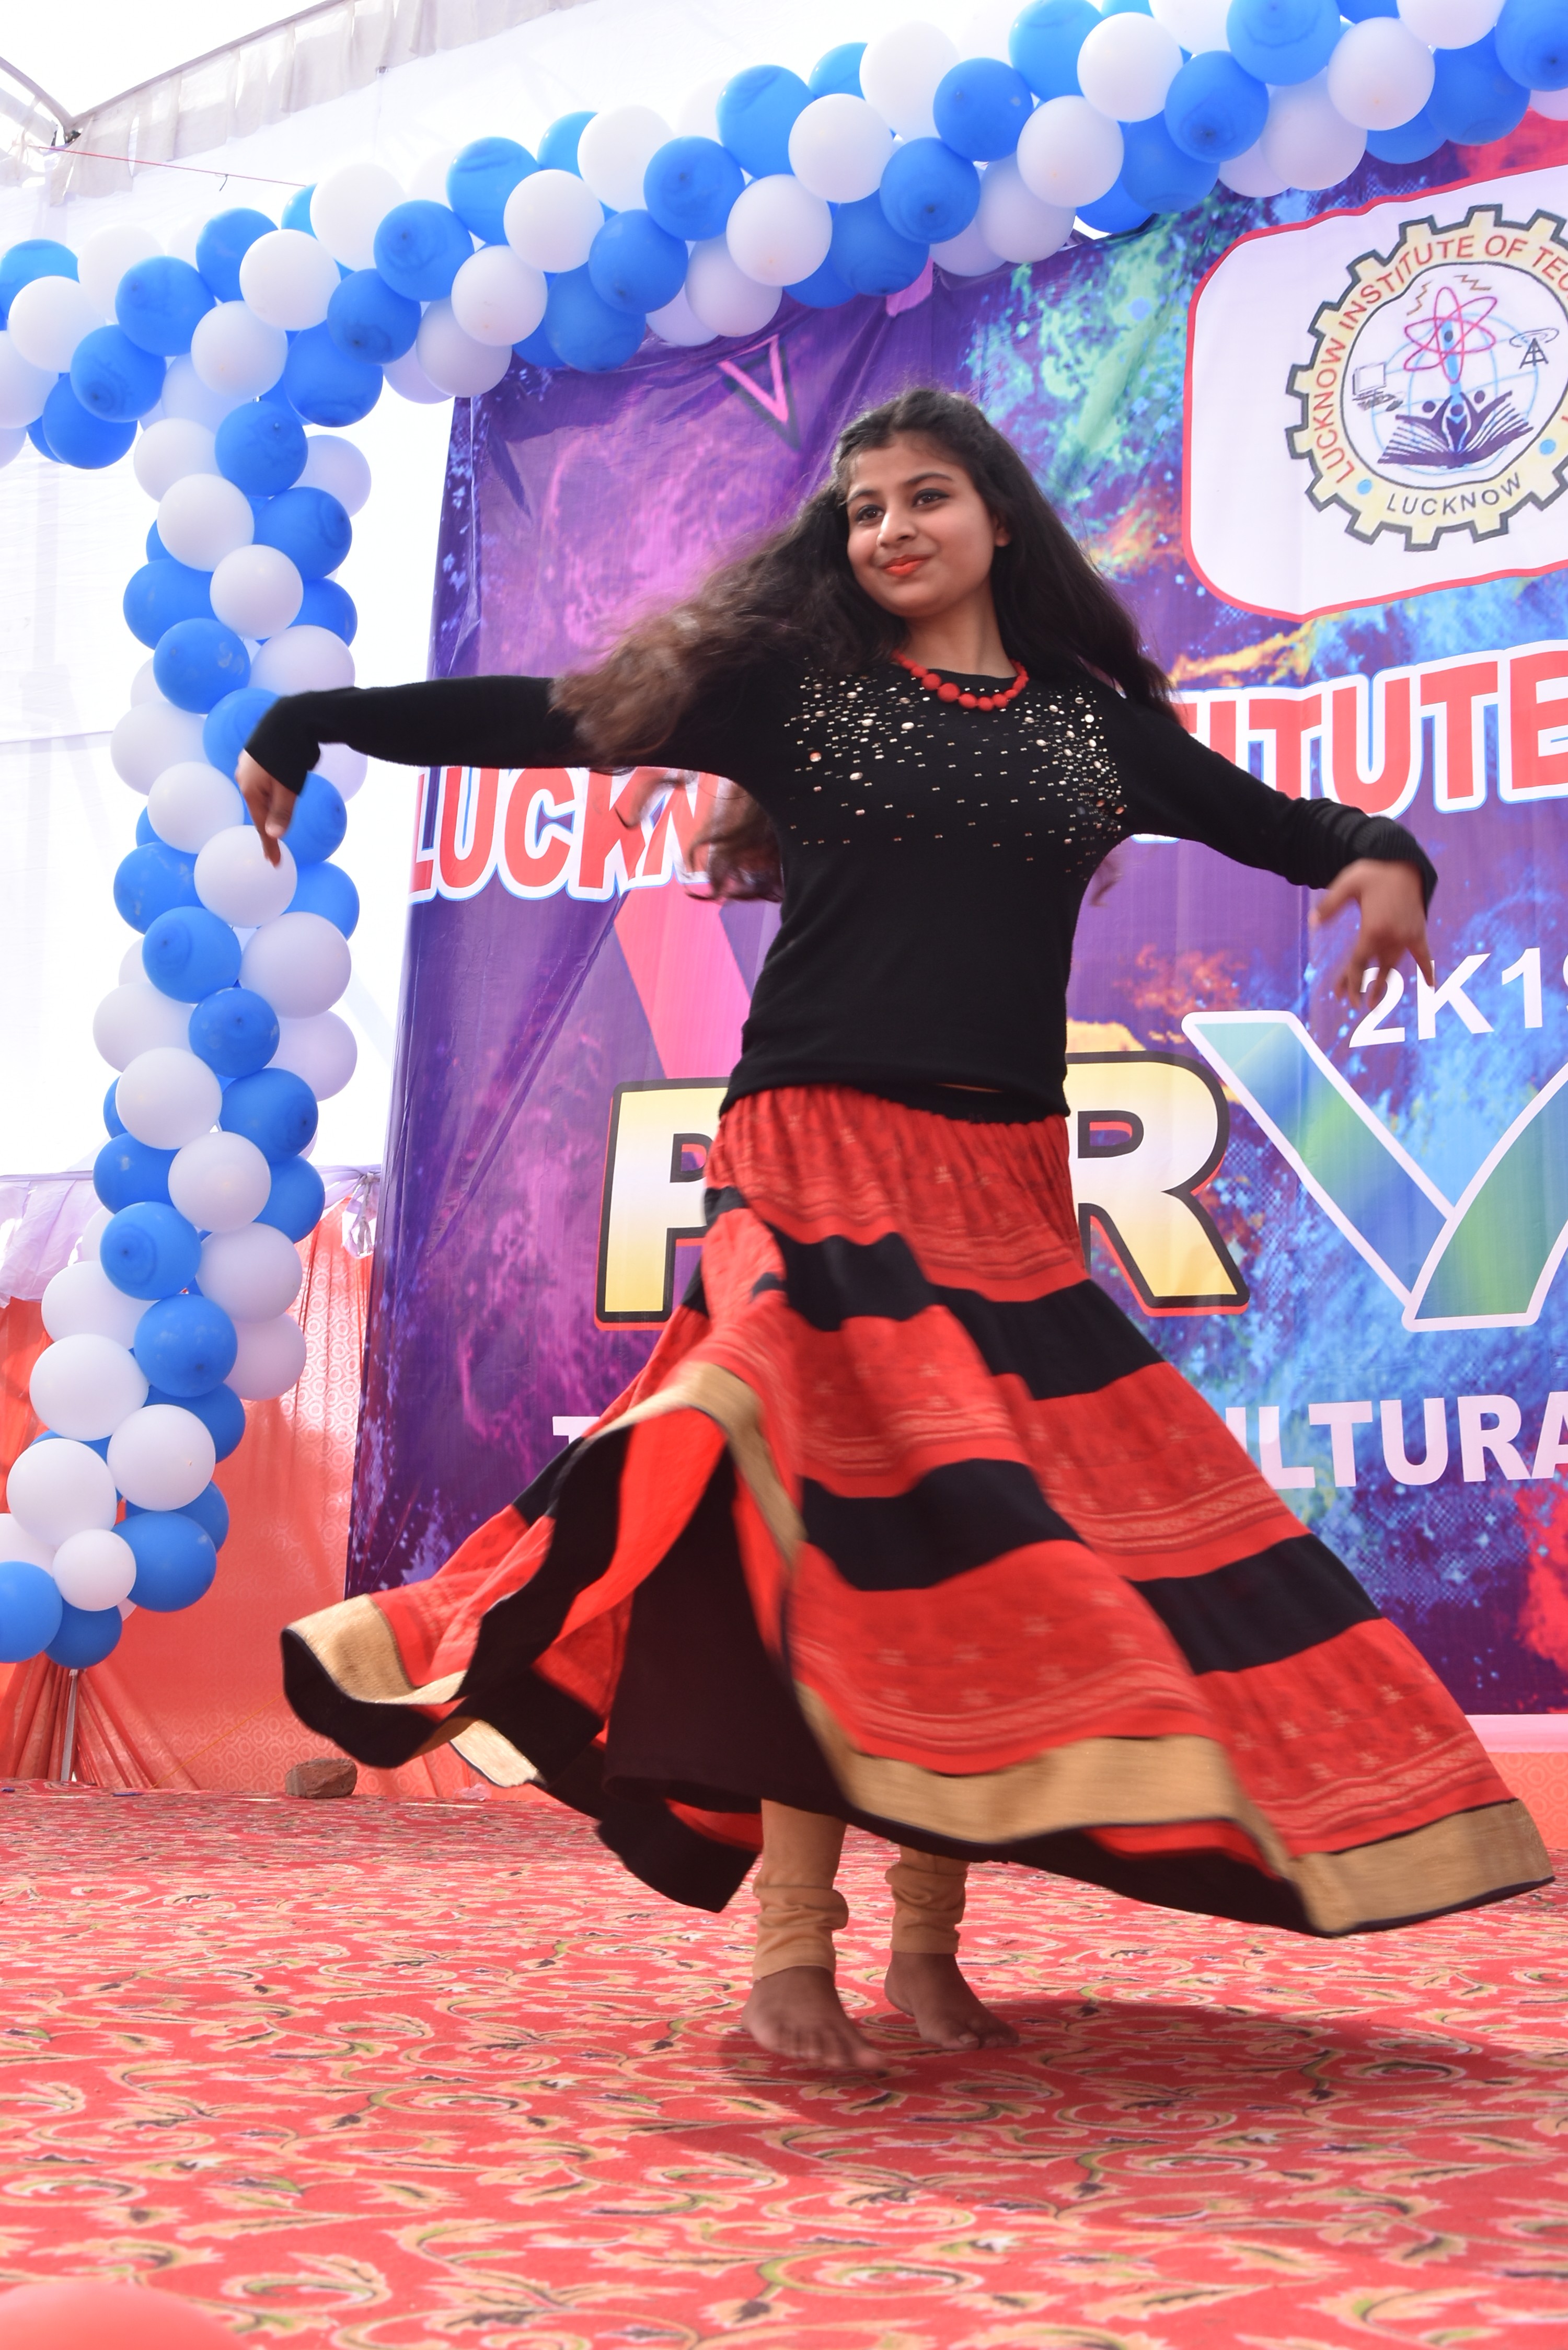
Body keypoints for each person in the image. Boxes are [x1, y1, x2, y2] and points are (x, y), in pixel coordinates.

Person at [240, 386, 1549, 2071]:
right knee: (810, 1548)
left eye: (925, 499)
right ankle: (794, 1955)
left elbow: (1288, 824)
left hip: (1002, 1186)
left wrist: (1387, 861)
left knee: (976, 1556)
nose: (889, 532)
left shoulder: (1096, 729)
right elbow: (559, 716)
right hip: (813, 1158)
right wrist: (314, 716)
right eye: (863, 512)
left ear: (1001, 518)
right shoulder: (798, 691)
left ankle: (927, 1951)